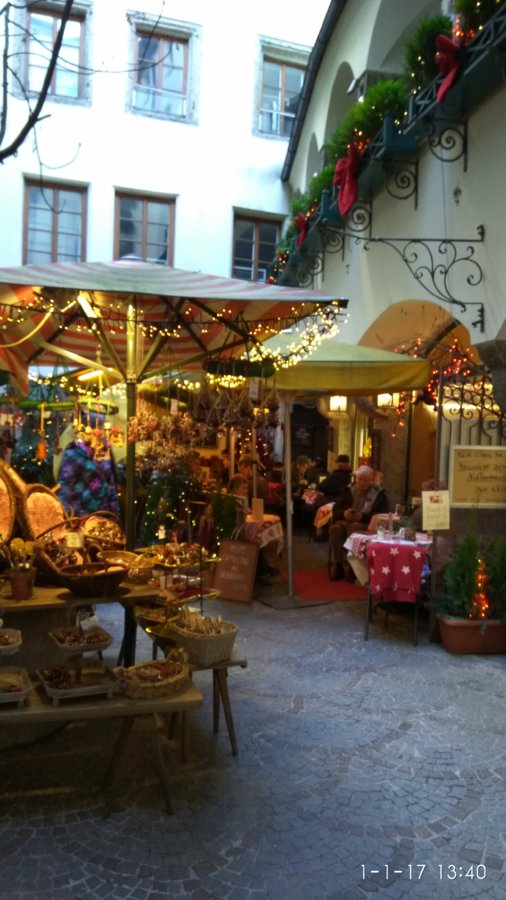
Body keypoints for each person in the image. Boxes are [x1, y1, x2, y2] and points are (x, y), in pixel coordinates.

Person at [328, 465, 388, 581]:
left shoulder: (378, 494)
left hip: (366, 524)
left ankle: (353, 567)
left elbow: (382, 514)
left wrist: (363, 516)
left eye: (365, 480)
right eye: (359, 479)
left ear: (371, 480)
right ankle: (338, 565)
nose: (361, 482)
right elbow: (336, 509)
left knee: (355, 527)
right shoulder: (347, 490)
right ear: (356, 478)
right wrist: (344, 513)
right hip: (345, 521)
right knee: (335, 529)